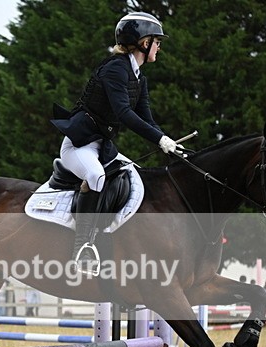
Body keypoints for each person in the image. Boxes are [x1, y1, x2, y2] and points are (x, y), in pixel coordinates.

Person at [51, 12, 181, 274]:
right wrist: (158, 139)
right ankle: (82, 248)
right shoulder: (115, 69)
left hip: (102, 147)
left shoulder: (138, 78)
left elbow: (146, 117)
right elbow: (124, 113)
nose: (159, 47)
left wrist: (171, 145)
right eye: (157, 41)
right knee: (97, 176)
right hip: (79, 146)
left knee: (132, 175)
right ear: (144, 42)